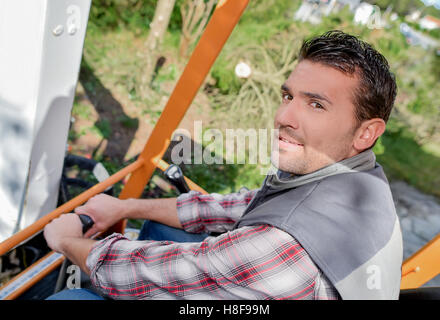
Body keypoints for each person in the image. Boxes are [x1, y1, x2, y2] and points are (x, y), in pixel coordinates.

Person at [44, 30, 402, 300]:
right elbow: (241, 205)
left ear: (366, 132)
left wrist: (66, 242)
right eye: (288, 96)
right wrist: (126, 206)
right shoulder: (360, 183)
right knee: (164, 232)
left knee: (72, 297)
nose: (283, 116)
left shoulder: (283, 245)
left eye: (316, 105)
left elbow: (142, 272)